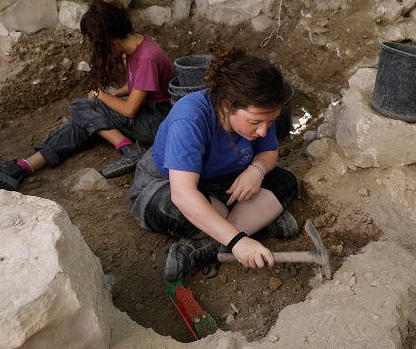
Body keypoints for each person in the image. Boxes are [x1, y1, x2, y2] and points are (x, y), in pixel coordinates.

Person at [0, 0, 177, 191]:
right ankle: (20, 169)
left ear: (112, 42)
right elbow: (140, 85)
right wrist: (116, 93)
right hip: (148, 113)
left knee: (81, 107)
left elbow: (130, 110)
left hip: (156, 121)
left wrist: (100, 95)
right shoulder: (136, 42)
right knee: (82, 122)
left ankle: (129, 149)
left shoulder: (147, 57)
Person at [128, 47, 299, 281]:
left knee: (285, 181)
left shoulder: (260, 115)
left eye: (270, 122)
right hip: (170, 184)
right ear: (227, 106)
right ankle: (248, 229)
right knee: (166, 206)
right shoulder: (190, 118)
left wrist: (256, 170)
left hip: (226, 184)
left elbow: (269, 152)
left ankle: (206, 246)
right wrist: (237, 242)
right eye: (255, 122)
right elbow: (183, 194)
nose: (263, 130)